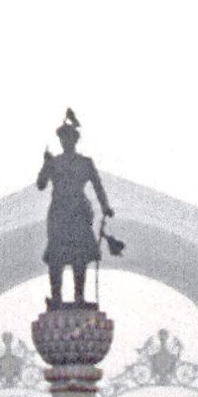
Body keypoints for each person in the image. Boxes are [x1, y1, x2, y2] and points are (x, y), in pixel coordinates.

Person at [36, 108, 115, 308]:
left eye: (69, 137)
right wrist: (45, 165)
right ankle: (56, 297)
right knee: (56, 255)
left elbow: (98, 186)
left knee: (79, 255)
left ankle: (79, 296)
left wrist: (105, 206)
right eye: (63, 138)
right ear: (60, 140)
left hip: (79, 213)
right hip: (59, 214)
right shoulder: (54, 162)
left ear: (75, 139)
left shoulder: (85, 163)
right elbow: (41, 184)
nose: (66, 141)